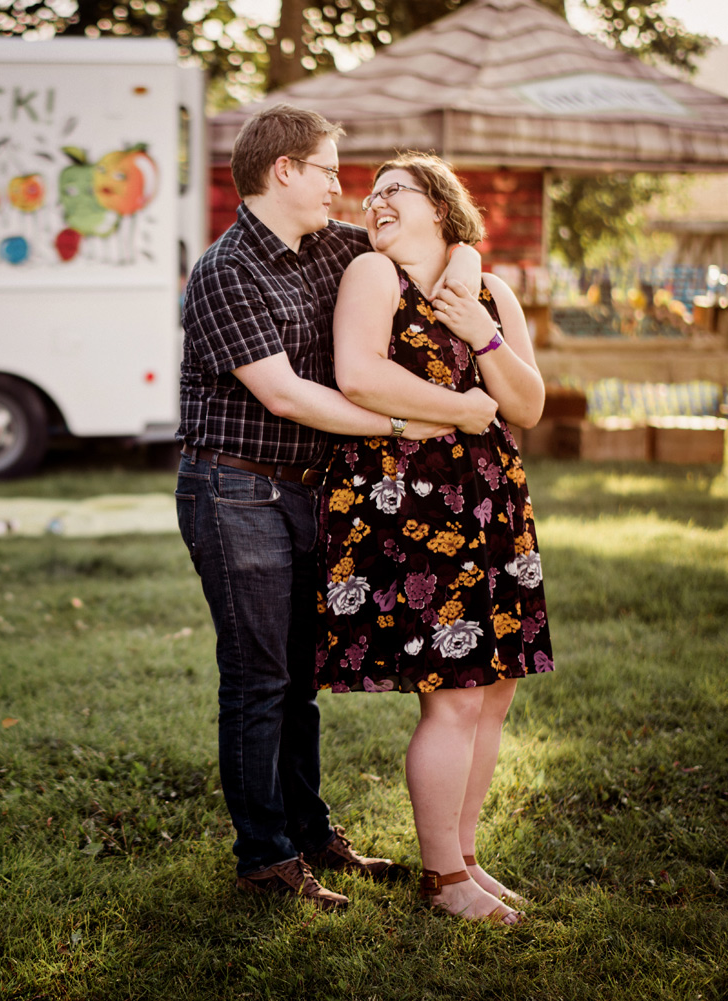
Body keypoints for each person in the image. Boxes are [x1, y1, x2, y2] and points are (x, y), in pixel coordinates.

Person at [175, 105, 496, 910]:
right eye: (326, 170)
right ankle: (265, 860)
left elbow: (435, 240)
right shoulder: (224, 271)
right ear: (284, 170)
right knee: (258, 678)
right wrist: (403, 420)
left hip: (306, 490)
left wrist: (465, 263)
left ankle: (311, 835)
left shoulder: (332, 247)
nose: (340, 187)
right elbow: (284, 393)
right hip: (234, 485)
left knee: (298, 681)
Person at [318, 151, 553, 925]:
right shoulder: (372, 276)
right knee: (453, 696)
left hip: (489, 503)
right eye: (372, 192)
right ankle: (441, 877)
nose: (375, 202)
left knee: (492, 692)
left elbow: (526, 403)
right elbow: (358, 376)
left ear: (442, 207)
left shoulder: (490, 291)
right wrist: (459, 409)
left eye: (395, 191)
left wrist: (483, 334)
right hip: (412, 502)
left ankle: (468, 860)